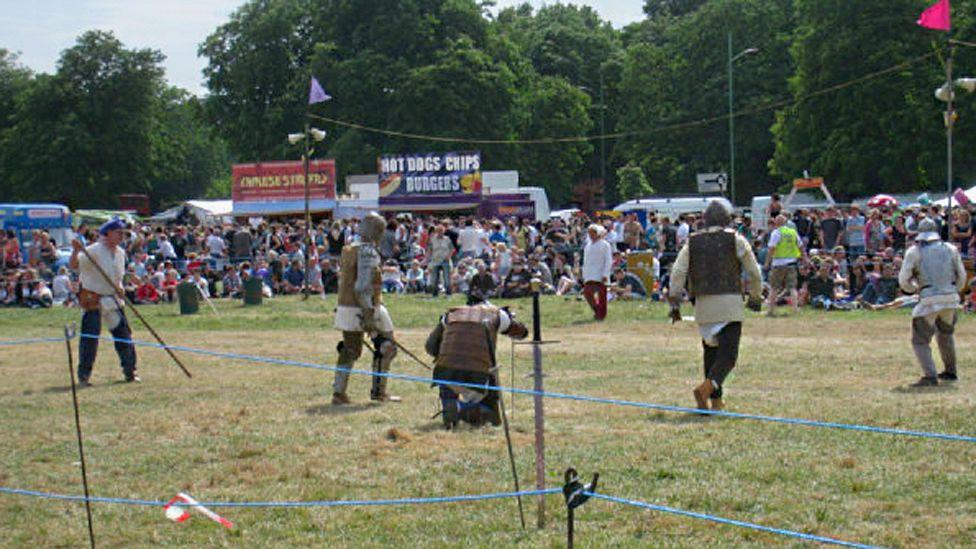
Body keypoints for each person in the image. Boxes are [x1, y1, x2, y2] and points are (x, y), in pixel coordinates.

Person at [668, 199, 763, 411]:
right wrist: (755, 297)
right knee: (728, 356)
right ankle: (705, 389)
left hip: (702, 305)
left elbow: (678, 272)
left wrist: (674, 303)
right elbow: (754, 272)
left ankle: (716, 402)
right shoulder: (736, 239)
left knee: (711, 353)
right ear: (727, 219)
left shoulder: (692, 242)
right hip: (729, 305)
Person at [424, 300, 528, 429]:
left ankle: (450, 406)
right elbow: (521, 332)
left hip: (445, 371)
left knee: (446, 373)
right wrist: (511, 319)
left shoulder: (451, 314)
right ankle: (469, 411)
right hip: (476, 373)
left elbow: (430, 347)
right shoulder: (497, 313)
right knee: (491, 414)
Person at [331, 213, 399, 404]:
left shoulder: (349, 249)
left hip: (346, 306)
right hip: (365, 306)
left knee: (350, 349)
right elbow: (362, 287)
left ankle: (339, 392)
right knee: (387, 347)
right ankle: (379, 392)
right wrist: (368, 315)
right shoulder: (368, 251)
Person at [897, 218, 967, 386]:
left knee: (920, 340)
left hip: (929, 298)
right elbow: (961, 276)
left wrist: (915, 288)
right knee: (946, 334)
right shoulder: (950, 249)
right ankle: (951, 371)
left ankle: (930, 376)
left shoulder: (914, 251)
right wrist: (952, 290)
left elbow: (904, 280)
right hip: (950, 297)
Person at [69, 219, 139, 385]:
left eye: (123, 233)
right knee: (90, 339)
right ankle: (84, 376)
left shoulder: (121, 253)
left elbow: (117, 276)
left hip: (113, 300)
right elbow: (74, 265)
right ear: (107, 234)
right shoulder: (93, 251)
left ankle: (130, 371)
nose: (122, 236)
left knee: (124, 336)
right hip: (93, 299)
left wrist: (121, 287)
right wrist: (75, 251)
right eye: (118, 233)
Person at [765, 214, 805, 315]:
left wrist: (767, 263)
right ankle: (795, 309)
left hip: (778, 263)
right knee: (792, 287)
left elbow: (771, 248)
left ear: (776, 223)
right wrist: (805, 259)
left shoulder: (776, 233)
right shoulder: (793, 232)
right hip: (791, 263)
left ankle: (771, 310)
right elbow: (801, 246)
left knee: (774, 287)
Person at [582, 224, 613, 320]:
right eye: (589, 233)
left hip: (600, 274)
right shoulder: (587, 246)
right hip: (590, 274)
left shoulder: (605, 245)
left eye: (593, 233)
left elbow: (608, 260)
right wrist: (584, 274)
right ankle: (596, 309)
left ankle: (601, 315)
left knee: (602, 296)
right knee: (587, 293)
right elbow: (585, 261)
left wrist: (605, 274)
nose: (591, 235)